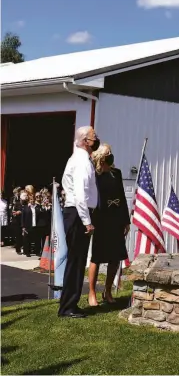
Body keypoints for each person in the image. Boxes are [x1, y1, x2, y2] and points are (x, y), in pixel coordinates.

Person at [58, 126, 100, 319]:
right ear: (85, 141)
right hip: (77, 214)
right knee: (76, 261)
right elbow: (81, 194)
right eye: (93, 136)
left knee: (78, 260)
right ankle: (68, 307)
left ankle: (70, 303)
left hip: (76, 213)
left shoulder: (79, 158)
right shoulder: (82, 160)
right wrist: (86, 221)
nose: (96, 138)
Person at [88, 144, 130, 306]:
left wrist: (126, 220)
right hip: (101, 219)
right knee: (97, 257)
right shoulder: (94, 174)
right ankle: (92, 293)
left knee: (115, 257)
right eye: (108, 154)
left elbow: (122, 196)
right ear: (101, 157)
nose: (111, 156)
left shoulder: (116, 173)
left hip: (116, 219)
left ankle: (108, 291)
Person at [11, 190, 27, 255]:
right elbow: (13, 212)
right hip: (17, 222)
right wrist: (16, 213)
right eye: (22, 200)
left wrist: (21, 212)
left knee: (24, 236)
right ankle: (18, 249)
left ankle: (24, 248)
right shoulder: (17, 204)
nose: (23, 201)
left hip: (24, 221)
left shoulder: (26, 204)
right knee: (18, 236)